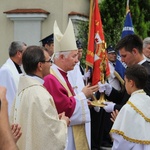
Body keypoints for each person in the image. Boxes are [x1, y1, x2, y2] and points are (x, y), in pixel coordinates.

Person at [44, 19, 99, 150]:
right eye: (74, 56)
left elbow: (69, 100)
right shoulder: (52, 77)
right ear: (61, 57)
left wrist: (84, 101)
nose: (77, 60)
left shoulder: (62, 74)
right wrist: (83, 95)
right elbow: (64, 108)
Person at [10, 46, 70, 150]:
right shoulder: (40, 94)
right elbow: (51, 136)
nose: (51, 64)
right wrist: (63, 123)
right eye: (49, 61)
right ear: (40, 66)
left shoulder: (21, 92)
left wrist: (55, 119)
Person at [99, 34, 150, 113]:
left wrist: (115, 107)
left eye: (124, 56)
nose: (122, 60)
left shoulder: (147, 73)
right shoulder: (130, 69)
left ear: (134, 52)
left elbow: (142, 107)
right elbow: (124, 98)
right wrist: (110, 90)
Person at [110, 64, 150, 150]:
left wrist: (119, 124)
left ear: (131, 83)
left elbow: (121, 143)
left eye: (125, 81)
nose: (125, 84)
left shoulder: (128, 108)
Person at [0, 41, 27, 114]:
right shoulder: (6, 70)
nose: (27, 56)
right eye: (25, 52)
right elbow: (7, 97)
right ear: (19, 54)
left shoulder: (19, 68)